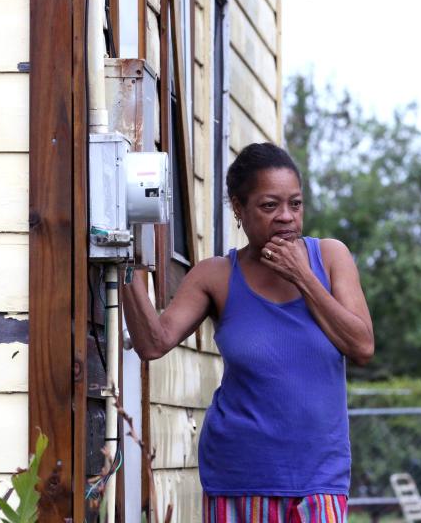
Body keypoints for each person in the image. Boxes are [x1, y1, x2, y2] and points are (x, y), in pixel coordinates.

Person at [120, 142, 374, 523]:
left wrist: (303, 277)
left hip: (319, 479)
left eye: (295, 204)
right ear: (239, 209)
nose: (286, 217)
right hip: (238, 476)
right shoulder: (216, 276)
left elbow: (362, 345)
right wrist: (124, 259)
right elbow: (153, 343)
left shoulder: (331, 257)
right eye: (269, 206)